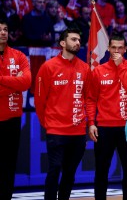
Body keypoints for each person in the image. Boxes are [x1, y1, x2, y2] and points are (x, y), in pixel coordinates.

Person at [34, 28, 90, 200]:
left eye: (79, 40)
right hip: (56, 130)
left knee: (70, 172)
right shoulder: (48, 67)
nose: (77, 43)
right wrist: (49, 124)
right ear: (63, 43)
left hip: (78, 131)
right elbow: (39, 100)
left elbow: (88, 98)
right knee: (55, 168)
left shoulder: (85, 68)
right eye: (73, 39)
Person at [0, 14, 31, 200]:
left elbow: (26, 82)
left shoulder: (18, 55)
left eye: (5, 29)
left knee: (9, 166)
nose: (3, 33)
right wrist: (13, 85)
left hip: (12, 120)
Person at [86, 34, 127, 200]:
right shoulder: (99, 71)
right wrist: (91, 123)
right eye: (113, 47)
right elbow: (91, 99)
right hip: (104, 128)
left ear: (125, 49)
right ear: (108, 48)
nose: (116, 51)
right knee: (101, 169)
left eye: (120, 48)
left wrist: (120, 66)